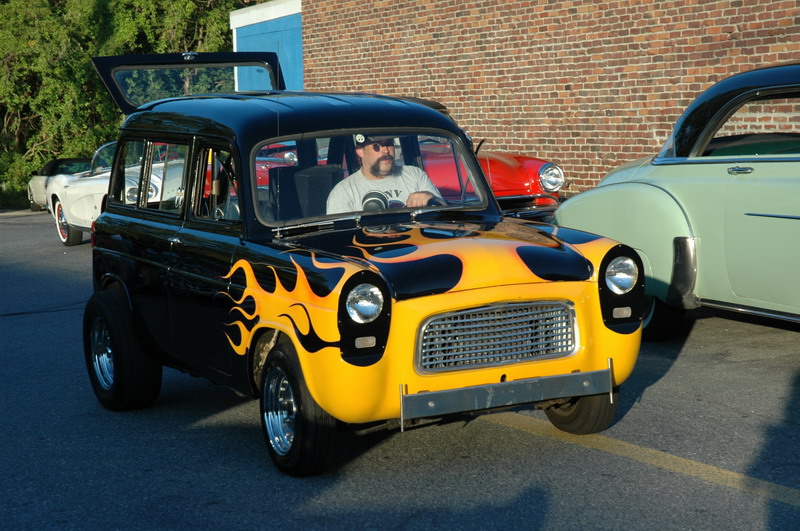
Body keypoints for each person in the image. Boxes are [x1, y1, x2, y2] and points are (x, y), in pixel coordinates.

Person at [326, 134, 443, 214]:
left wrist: (430, 196)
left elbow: (444, 213)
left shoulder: (414, 175)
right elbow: (339, 235)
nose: (386, 150)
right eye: (377, 146)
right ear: (360, 151)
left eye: (389, 143)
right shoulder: (344, 191)